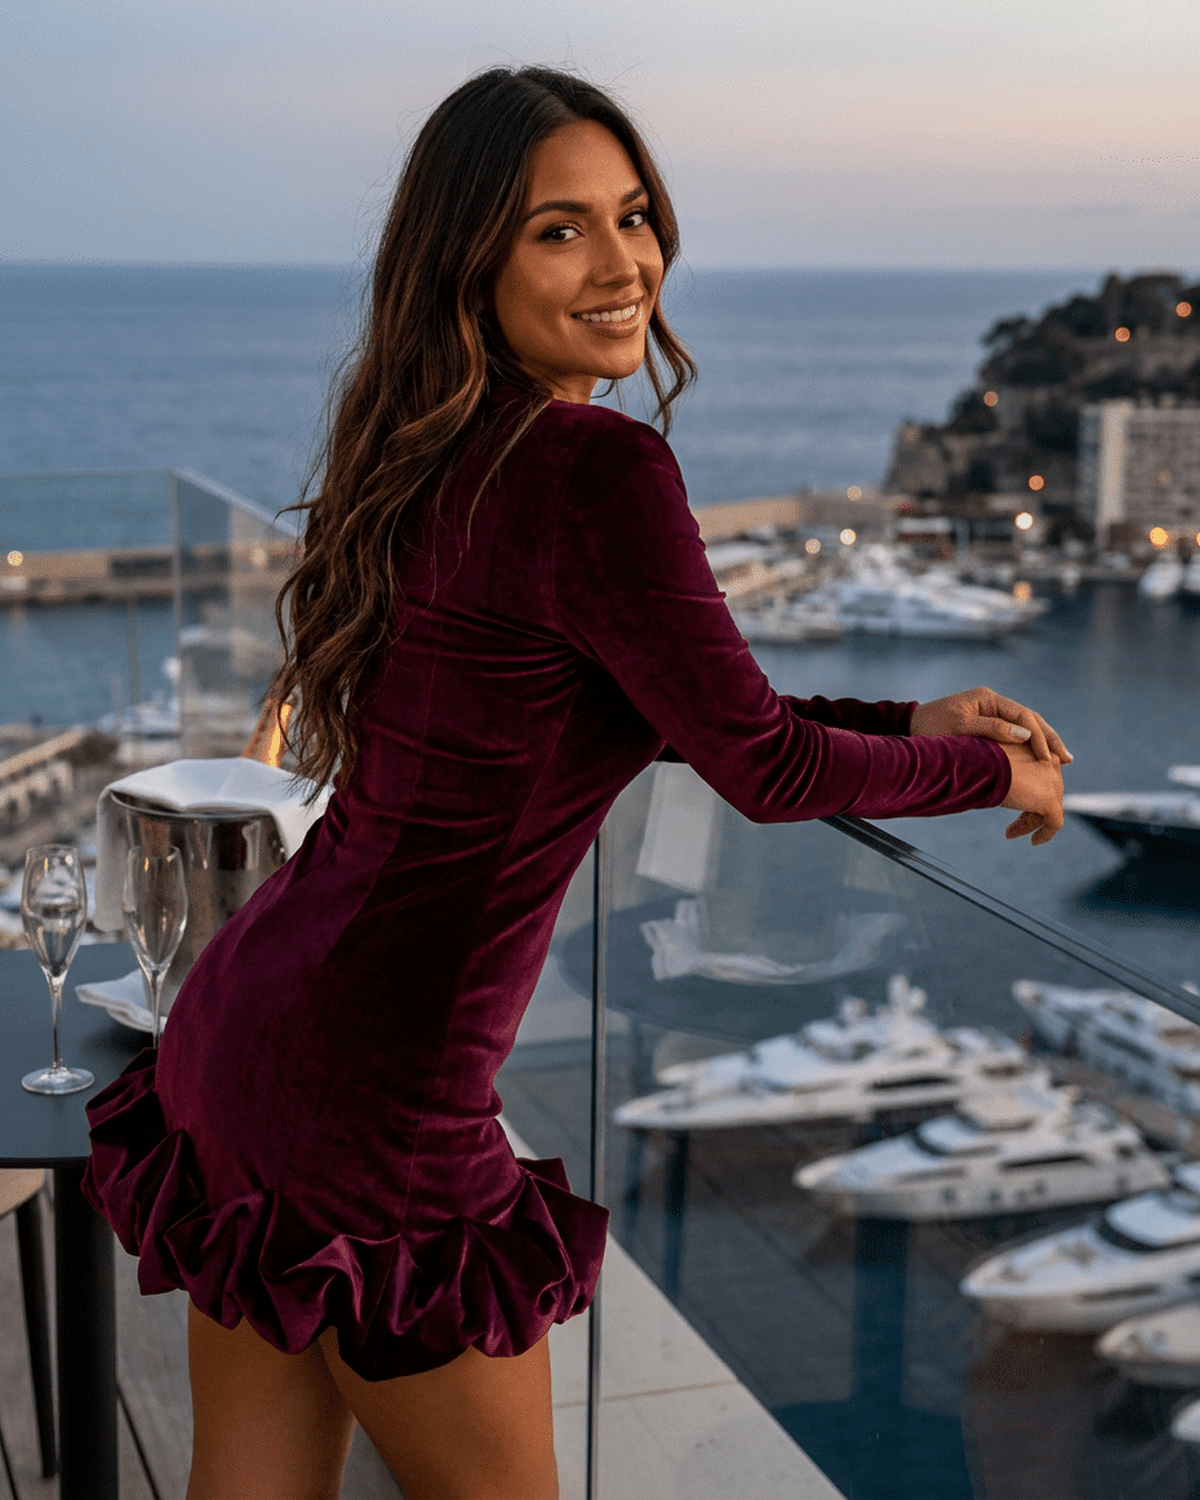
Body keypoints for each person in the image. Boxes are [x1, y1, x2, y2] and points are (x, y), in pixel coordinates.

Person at [82, 65, 1067, 1500]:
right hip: (379, 1114)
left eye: (635, 215)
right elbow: (764, 762)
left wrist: (911, 709)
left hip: (243, 1034)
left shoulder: (432, 446)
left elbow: (659, 701)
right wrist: (984, 771)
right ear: (469, 258)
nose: (624, 264)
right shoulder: (594, 472)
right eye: (561, 229)